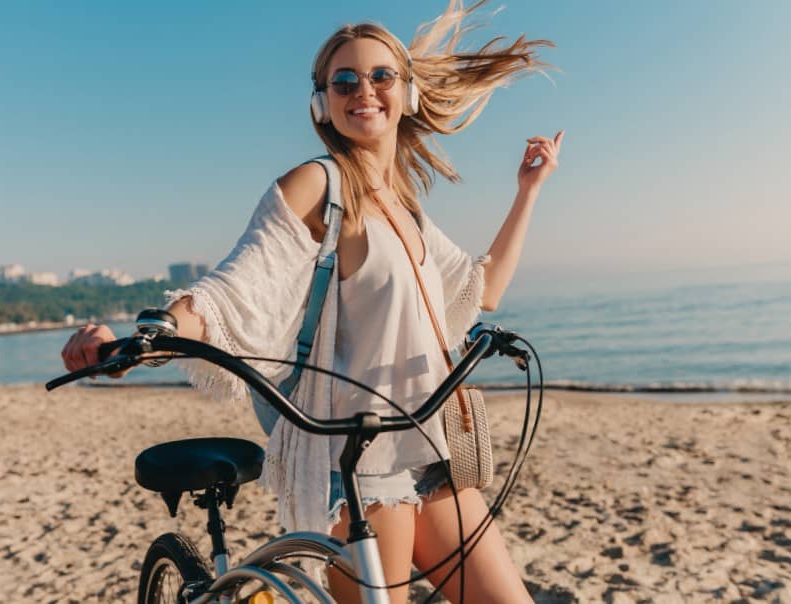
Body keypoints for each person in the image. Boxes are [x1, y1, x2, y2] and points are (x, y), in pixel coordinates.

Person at [62, 2, 562, 601]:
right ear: (323, 101)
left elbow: (480, 291)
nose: (363, 90)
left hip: (431, 447)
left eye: (380, 76)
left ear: (406, 92)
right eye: (344, 80)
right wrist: (149, 332)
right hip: (360, 466)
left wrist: (529, 192)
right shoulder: (318, 185)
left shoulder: (409, 211)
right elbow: (238, 283)